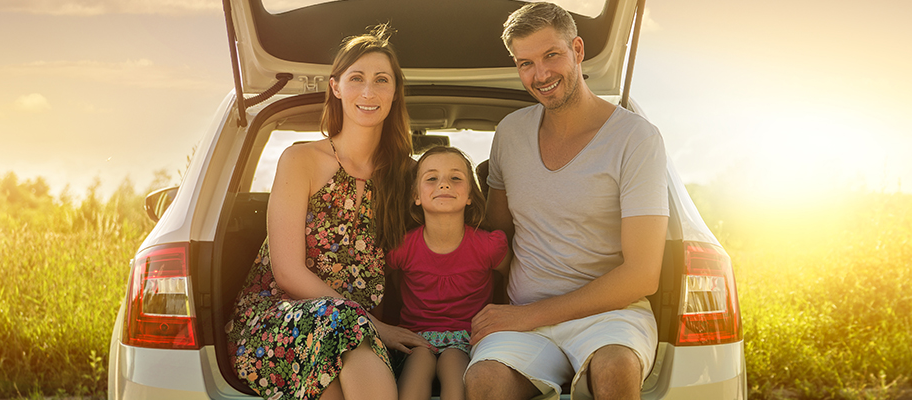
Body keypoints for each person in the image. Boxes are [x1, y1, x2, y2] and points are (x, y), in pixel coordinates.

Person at [464, 2, 670, 400]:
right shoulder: (510, 133)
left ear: (577, 50)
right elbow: (498, 235)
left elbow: (643, 274)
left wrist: (528, 315)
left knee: (616, 368)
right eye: (525, 63)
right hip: (527, 323)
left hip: (610, 316)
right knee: (484, 381)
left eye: (551, 56)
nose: (540, 75)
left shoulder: (636, 138)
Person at [226, 24, 429, 400]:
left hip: (353, 334)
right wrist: (377, 326)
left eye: (381, 80)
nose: (368, 92)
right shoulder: (300, 159)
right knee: (348, 328)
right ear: (336, 87)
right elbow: (287, 273)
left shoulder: (405, 175)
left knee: (346, 360)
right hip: (279, 321)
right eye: (357, 78)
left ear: (395, 91)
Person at [387, 146, 510, 400]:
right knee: (419, 362)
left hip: (467, 338)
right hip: (416, 338)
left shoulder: (489, 246)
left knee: (453, 364)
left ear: (470, 195)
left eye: (455, 177)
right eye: (432, 178)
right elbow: (384, 287)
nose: (444, 184)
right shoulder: (402, 247)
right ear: (416, 195)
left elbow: (512, 282)